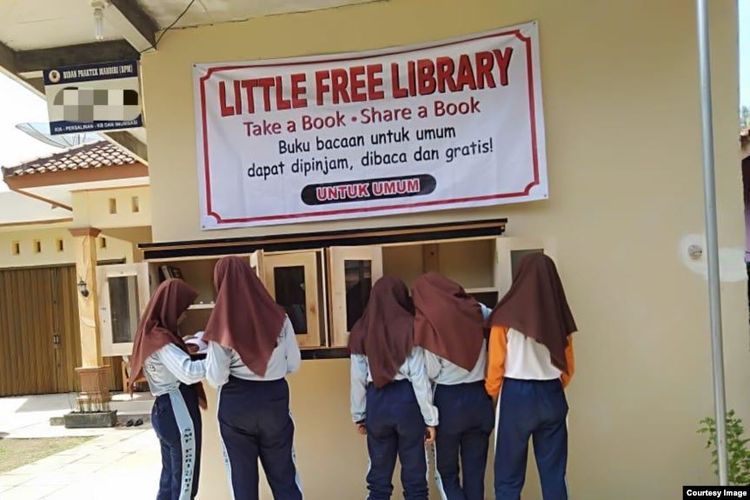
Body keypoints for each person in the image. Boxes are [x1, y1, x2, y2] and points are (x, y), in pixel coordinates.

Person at [203, 256, 302, 500]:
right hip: (274, 401)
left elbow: (216, 377)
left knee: (242, 483)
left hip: (236, 405)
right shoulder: (280, 317)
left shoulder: (221, 322)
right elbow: (294, 363)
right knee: (285, 479)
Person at [485, 253, 577, 500]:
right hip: (552, 394)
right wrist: (554, 385)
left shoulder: (504, 316)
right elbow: (569, 368)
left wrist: (493, 394)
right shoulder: (559, 316)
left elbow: (495, 366)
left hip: (515, 396)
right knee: (554, 475)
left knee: (508, 477)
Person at [349, 276, 438, 500]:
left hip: (377, 402)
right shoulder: (411, 327)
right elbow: (420, 378)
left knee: (378, 482)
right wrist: (430, 419)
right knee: (416, 481)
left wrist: (359, 415)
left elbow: (357, 378)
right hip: (407, 402)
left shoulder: (361, 329)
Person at [411, 272, 494, 500]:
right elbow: (498, 320)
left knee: (446, 473)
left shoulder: (429, 325)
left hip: (448, 402)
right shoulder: (476, 308)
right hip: (480, 397)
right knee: (475, 474)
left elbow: (431, 372)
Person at [129, 279, 207, 500]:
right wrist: (220, 360)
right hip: (177, 407)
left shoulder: (149, 333)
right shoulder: (161, 339)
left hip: (164, 408)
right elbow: (188, 372)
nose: (184, 314)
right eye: (182, 308)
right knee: (185, 481)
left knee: (170, 478)